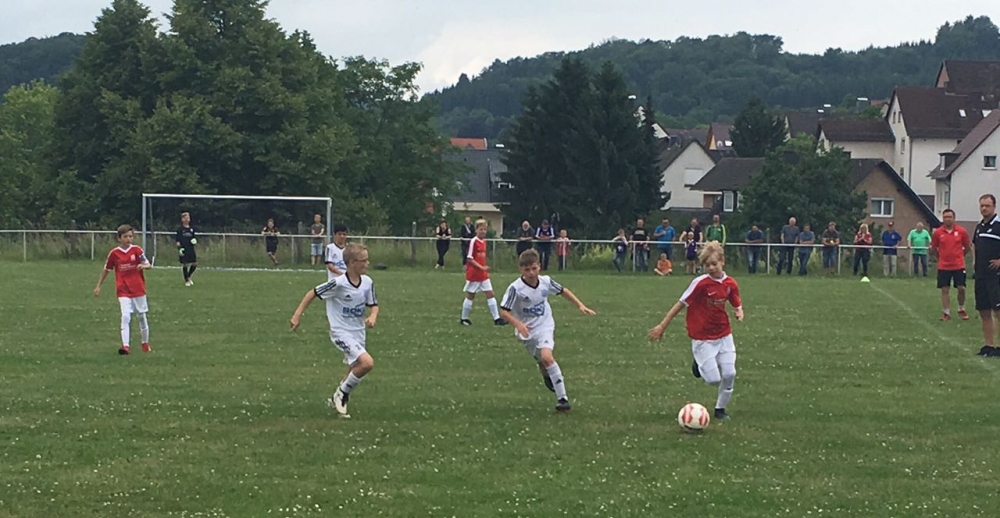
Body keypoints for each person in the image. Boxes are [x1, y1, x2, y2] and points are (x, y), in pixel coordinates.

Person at [647, 241, 744, 421]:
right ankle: (698, 365)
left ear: (722, 261)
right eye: (707, 265)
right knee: (713, 380)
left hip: (724, 334)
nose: (711, 268)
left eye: (714, 264)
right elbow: (680, 304)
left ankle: (720, 410)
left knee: (730, 374)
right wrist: (662, 326)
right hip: (702, 338)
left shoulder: (730, 283)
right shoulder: (700, 283)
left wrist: (739, 310)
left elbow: (734, 297)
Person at [499, 249, 596, 412]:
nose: (531, 273)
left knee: (547, 357)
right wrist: (518, 324)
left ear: (539, 266)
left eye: (534, 268)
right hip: (526, 330)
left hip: (545, 325)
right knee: (542, 361)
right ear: (521, 270)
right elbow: (503, 311)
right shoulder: (515, 288)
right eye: (527, 270)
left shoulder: (546, 282)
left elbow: (563, 291)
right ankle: (546, 374)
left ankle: (562, 399)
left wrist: (580, 305)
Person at [290, 243, 379, 418]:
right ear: (352, 263)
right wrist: (297, 315)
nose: (367, 263)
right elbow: (312, 293)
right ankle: (342, 394)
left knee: (354, 369)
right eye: (364, 260)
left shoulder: (367, 282)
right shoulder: (338, 283)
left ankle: (336, 398)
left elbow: (374, 304)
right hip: (340, 332)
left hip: (358, 332)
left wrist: (373, 316)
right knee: (367, 363)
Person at [94, 225, 153, 355]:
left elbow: (148, 264)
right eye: (125, 236)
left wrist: (143, 266)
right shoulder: (114, 254)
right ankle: (125, 346)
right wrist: (98, 285)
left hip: (138, 288)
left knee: (141, 316)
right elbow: (106, 269)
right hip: (123, 290)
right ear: (119, 238)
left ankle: (145, 343)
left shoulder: (137, 250)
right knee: (126, 316)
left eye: (130, 236)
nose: (128, 239)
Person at [460, 219, 506, 326]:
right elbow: (470, 258)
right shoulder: (473, 241)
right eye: (481, 229)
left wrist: (483, 268)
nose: (483, 231)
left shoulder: (484, 241)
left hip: (483, 274)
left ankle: (497, 319)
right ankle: (464, 318)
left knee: (490, 294)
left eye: (485, 229)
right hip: (474, 274)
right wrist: (481, 267)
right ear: (476, 230)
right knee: (471, 295)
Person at [931, 209, 971, 321]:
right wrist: (940, 258)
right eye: (945, 217)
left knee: (961, 288)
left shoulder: (961, 231)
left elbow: (967, 246)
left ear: (954, 218)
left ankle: (961, 308)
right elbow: (933, 248)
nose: (947, 219)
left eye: (949, 217)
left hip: (958, 265)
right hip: (944, 266)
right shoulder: (938, 232)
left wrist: (960, 256)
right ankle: (946, 312)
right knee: (945, 289)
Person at [973, 194, 1000, 357]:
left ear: (994, 207)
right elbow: (975, 245)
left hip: (995, 276)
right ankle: (988, 345)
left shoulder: (998, 225)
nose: (984, 208)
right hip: (981, 275)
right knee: (983, 310)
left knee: (998, 311)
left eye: (987, 206)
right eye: (982, 205)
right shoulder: (979, 226)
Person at [176, 212, 198, 286]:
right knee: (185, 264)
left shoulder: (192, 229)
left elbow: (193, 238)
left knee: (195, 263)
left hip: (190, 248)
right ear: (182, 219)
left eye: (188, 217)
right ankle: (186, 280)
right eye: (186, 217)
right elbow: (177, 241)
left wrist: (194, 241)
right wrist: (179, 249)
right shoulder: (180, 229)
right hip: (184, 249)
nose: (188, 219)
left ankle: (188, 276)